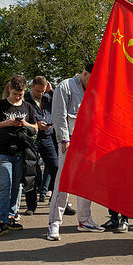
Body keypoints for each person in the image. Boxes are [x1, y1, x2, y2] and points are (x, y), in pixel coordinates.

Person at [47, 63, 105, 241]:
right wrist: (64, 139)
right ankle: (54, 223)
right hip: (69, 141)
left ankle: (85, 219)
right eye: (92, 79)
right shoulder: (65, 86)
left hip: (88, 141)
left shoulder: (93, 89)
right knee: (63, 183)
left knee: (86, 183)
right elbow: (58, 115)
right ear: (85, 73)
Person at [0, 75, 38, 237]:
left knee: (17, 186)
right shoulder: (1, 106)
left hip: (21, 152)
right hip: (2, 151)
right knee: (4, 186)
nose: (17, 97)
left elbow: (35, 128)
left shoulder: (28, 107)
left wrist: (25, 124)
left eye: (20, 95)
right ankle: (1, 220)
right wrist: (6, 123)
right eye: (15, 94)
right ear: (9, 89)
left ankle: (11, 216)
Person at [23, 76, 59, 214]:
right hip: (32, 137)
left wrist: (51, 91)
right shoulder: (25, 99)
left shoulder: (48, 97)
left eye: (43, 91)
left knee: (55, 167)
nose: (40, 94)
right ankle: (31, 205)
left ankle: (57, 200)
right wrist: (36, 124)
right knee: (31, 171)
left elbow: (60, 102)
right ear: (32, 87)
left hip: (48, 137)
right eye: (38, 91)